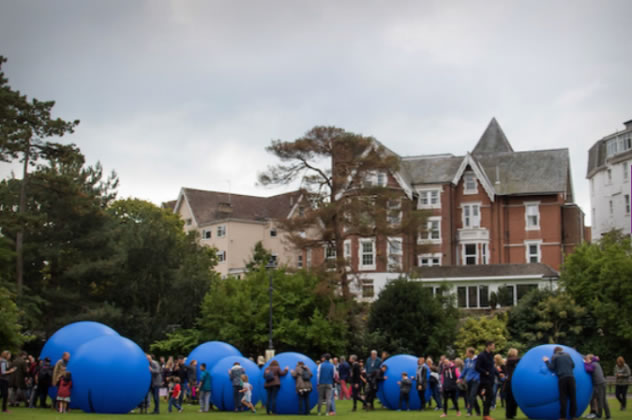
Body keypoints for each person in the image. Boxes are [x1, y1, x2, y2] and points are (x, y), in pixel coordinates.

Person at [543, 346, 576, 420]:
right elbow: (573, 365)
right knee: (573, 397)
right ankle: (573, 416)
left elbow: (552, 368)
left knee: (563, 398)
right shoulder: (568, 355)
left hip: (562, 378)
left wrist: (546, 361)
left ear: (554, 352)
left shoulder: (554, 356)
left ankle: (563, 417)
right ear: (562, 350)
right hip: (571, 377)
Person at [584, 354, 610, 420]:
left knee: (600, 400)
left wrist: (585, 364)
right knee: (599, 399)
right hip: (600, 383)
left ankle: (599, 416)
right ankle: (607, 416)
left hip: (599, 384)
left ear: (590, 359)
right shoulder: (595, 363)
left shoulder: (593, 364)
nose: (585, 360)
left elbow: (588, 369)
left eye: (587, 359)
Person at [475, 341, 495, 420]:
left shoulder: (491, 355)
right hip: (485, 379)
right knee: (490, 395)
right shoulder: (481, 355)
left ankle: (485, 415)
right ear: (488, 346)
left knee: (488, 396)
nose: (494, 347)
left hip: (491, 379)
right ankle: (486, 415)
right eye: (493, 345)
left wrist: (498, 374)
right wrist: (485, 372)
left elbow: (492, 367)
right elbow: (477, 367)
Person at [461, 348, 481, 416]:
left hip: (475, 380)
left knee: (472, 395)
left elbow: (480, 370)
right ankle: (478, 412)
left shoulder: (478, 360)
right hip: (468, 380)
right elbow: (465, 370)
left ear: (471, 353)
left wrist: (476, 377)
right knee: (471, 396)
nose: (466, 354)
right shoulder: (467, 360)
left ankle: (469, 412)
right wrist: (460, 377)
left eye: (467, 352)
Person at [504, 349, 520, 420]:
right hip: (510, 382)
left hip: (512, 381)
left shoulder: (511, 361)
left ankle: (512, 414)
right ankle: (509, 414)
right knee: (510, 398)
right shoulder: (510, 360)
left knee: (513, 398)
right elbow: (518, 359)